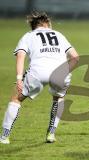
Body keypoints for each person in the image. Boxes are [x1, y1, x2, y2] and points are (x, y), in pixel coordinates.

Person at [0, 11, 79, 144]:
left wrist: (19, 79)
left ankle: (4, 136)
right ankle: (51, 134)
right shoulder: (59, 34)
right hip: (59, 73)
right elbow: (75, 58)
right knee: (59, 98)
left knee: (16, 98)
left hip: (38, 72)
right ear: (47, 24)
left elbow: (20, 56)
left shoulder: (28, 36)